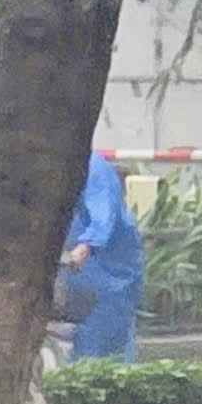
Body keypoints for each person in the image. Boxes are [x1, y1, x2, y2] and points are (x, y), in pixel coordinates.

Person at [58, 153, 145, 361]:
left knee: (103, 345)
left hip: (104, 271)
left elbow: (102, 213)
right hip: (71, 272)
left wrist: (84, 247)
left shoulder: (92, 167)